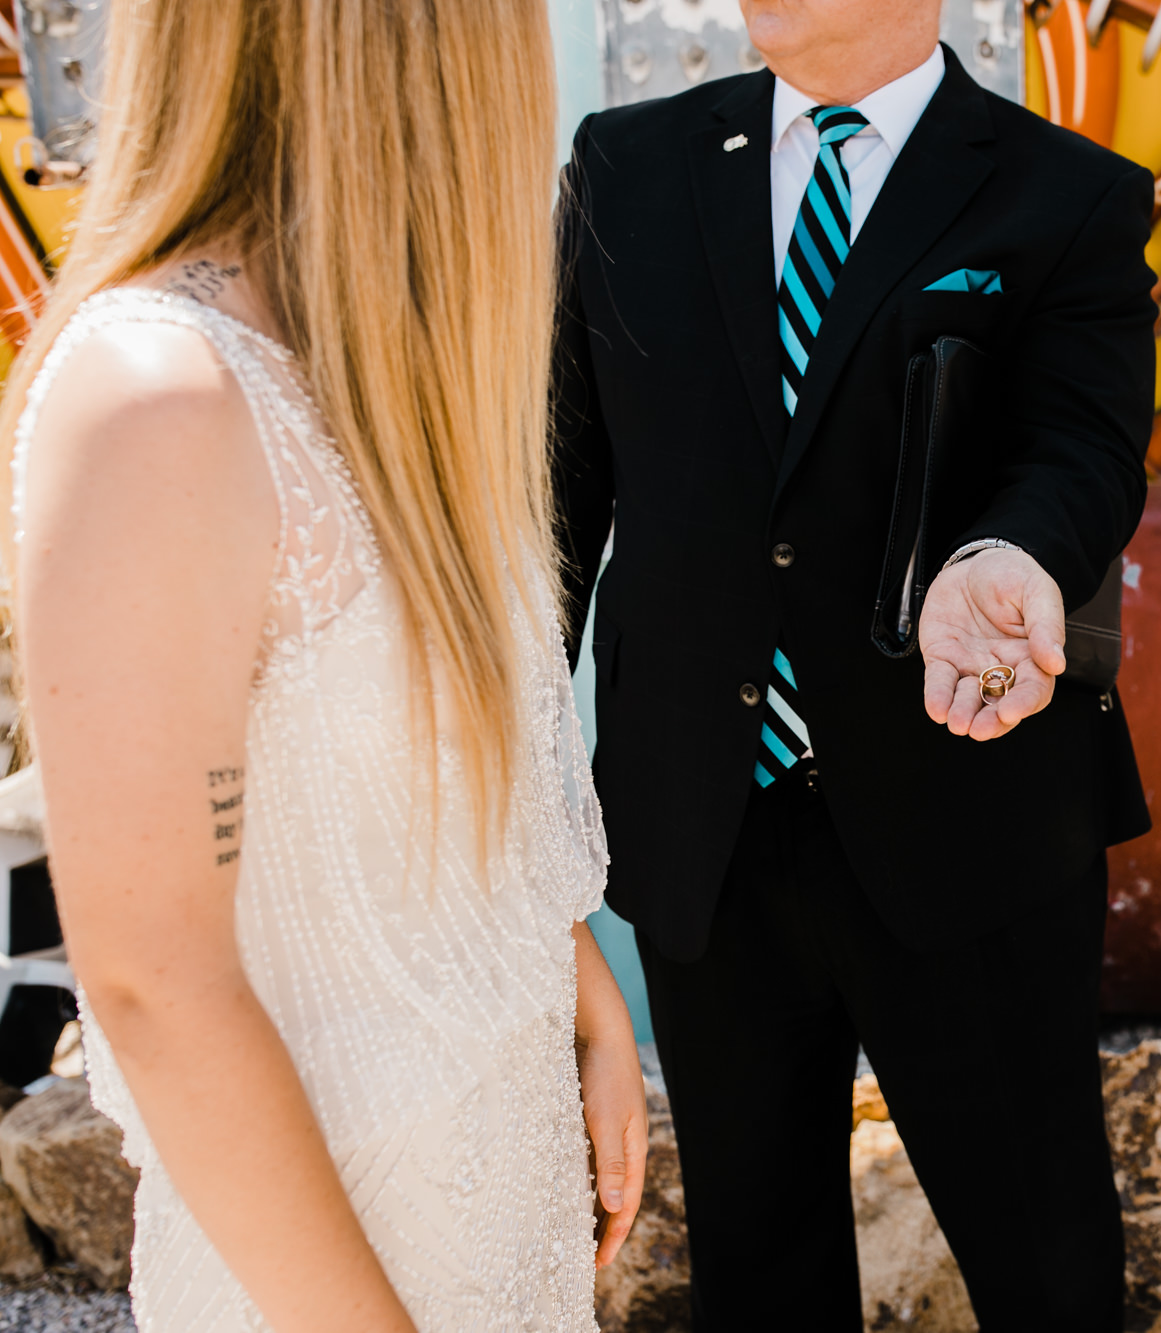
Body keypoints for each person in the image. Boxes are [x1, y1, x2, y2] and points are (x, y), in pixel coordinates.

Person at [5, 2, 649, 1329]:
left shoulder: (381, 366)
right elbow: (155, 980)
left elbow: (421, 762)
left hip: (500, 1236)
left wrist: (565, 966)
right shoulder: (155, 395)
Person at [551, 0, 1156, 1325]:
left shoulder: (1067, 194)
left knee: (1043, 1260)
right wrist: (504, 752)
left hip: (969, 814)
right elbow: (558, 496)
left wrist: (1011, 552)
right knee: (757, 1269)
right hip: (703, 816)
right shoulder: (624, 167)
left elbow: (1088, 451)